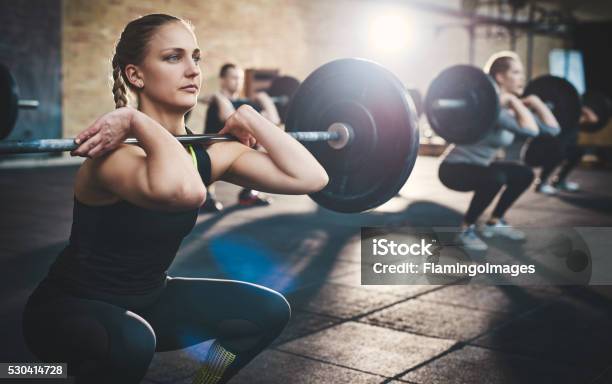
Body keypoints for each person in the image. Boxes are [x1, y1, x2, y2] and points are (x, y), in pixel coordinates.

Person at [21, 14, 328, 384]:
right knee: (131, 343)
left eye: (195, 58)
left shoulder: (206, 153)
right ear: (136, 75)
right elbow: (186, 191)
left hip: (149, 301)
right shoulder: (115, 158)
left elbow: (312, 177)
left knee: (266, 311)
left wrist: (250, 117)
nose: (193, 71)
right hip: (68, 312)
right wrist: (137, 122)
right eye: (173, 58)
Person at [438, 51, 545, 251]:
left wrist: (536, 103)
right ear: (500, 77)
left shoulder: (505, 109)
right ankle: (465, 230)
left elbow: (551, 129)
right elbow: (532, 130)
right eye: (516, 72)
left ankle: (495, 222)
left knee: (524, 174)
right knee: (495, 178)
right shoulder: (493, 110)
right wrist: (514, 101)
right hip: (453, 168)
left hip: (481, 166)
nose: (522, 77)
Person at [200, 63, 281, 211]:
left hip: (240, 150)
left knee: (261, 144)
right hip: (214, 150)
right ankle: (206, 194)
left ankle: (248, 192)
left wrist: (265, 99)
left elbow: (273, 121)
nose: (238, 82)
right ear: (223, 80)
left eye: (241, 78)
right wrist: (218, 96)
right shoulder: (217, 103)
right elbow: (229, 116)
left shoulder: (246, 103)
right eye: (234, 78)